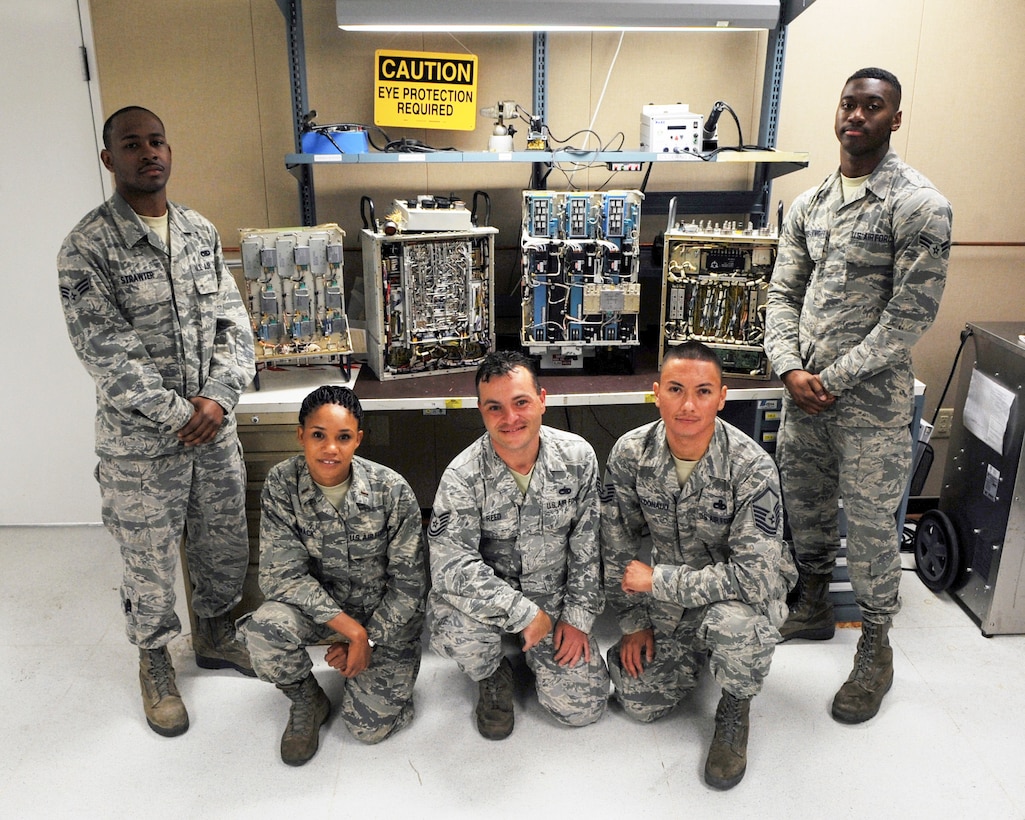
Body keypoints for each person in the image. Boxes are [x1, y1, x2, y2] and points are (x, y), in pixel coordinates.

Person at [57, 106, 257, 737]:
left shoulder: (198, 232)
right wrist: (180, 415)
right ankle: (154, 661)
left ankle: (217, 633)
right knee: (148, 560)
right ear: (109, 159)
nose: (149, 152)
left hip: (213, 432)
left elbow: (235, 324)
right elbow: (107, 351)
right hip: (142, 447)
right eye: (132, 143)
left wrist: (219, 399)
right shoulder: (86, 248)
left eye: (157, 141)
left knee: (222, 541)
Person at [764, 68, 952, 724]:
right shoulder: (811, 203)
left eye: (872, 106)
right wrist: (788, 368)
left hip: (868, 405)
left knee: (872, 527)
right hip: (803, 394)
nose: (856, 115)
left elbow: (909, 316)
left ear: (893, 118)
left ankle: (875, 648)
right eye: (848, 103)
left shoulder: (918, 204)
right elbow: (782, 293)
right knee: (805, 506)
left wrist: (833, 379)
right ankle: (811, 604)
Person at [601, 341, 796, 790]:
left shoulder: (752, 467)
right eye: (675, 389)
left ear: (722, 397)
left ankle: (734, 704)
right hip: (671, 598)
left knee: (738, 629)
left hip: (739, 596)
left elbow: (754, 577)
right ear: (656, 393)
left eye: (703, 392)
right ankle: (691, 650)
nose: (688, 405)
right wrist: (632, 623)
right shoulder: (631, 453)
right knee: (638, 700)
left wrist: (658, 581)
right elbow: (617, 544)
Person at [427, 350, 609, 740]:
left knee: (582, 709)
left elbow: (589, 546)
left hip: (554, 598)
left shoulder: (578, 458)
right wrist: (524, 614)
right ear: (480, 410)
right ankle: (493, 673)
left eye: (521, 402)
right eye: (495, 407)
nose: (510, 419)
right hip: (491, 602)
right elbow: (452, 568)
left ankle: (539, 654)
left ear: (542, 399)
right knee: (456, 632)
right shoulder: (462, 475)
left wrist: (577, 620)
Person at [238, 386, 425, 765]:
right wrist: (350, 631)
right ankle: (308, 699)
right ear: (301, 435)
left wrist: (368, 640)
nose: (330, 450)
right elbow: (280, 576)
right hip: (322, 612)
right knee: (264, 630)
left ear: (358, 438)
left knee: (368, 730)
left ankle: (379, 679)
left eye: (343, 437)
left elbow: (410, 586)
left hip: (382, 618)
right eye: (318, 435)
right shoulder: (282, 483)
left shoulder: (391, 490)